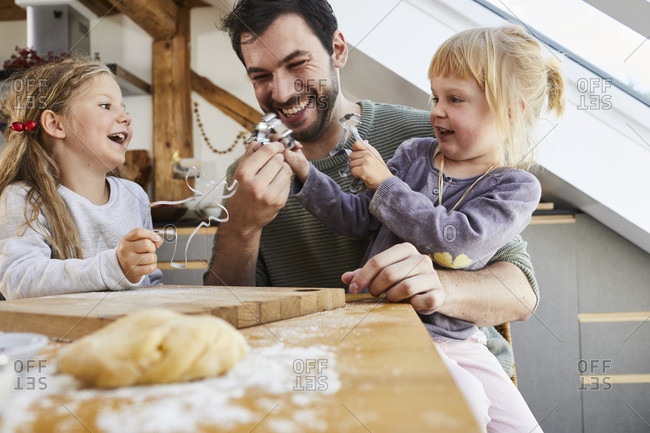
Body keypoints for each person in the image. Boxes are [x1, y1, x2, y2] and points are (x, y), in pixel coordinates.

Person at [206, 0, 538, 379]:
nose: (281, 93)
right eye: (260, 76)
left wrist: (437, 286)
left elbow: (519, 293)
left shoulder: (434, 141)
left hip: (453, 368)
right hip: (322, 377)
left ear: (338, 50)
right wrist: (241, 228)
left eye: (298, 64)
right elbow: (230, 321)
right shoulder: (247, 177)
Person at [283, 25, 565, 432]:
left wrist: (385, 184)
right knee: (464, 403)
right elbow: (357, 217)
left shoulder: (515, 188)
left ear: (510, 111)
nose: (436, 110)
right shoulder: (413, 154)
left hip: (461, 338)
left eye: (455, 99)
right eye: (435, 96)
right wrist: (305, 173)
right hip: (390, 328)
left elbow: (458, 243)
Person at [0, 58, 163, 300]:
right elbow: (18, 279)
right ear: (55, 124)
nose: (126, 117)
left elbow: (149, 282)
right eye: (106, 106)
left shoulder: (134, 196)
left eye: (124, 108)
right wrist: (112, 267)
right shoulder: (23, 199)